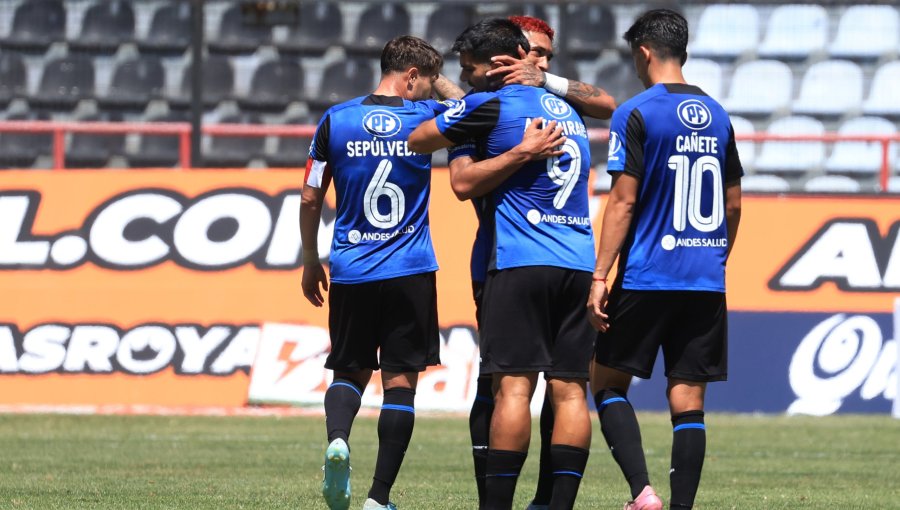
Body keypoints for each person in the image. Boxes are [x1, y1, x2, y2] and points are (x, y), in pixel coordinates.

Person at [409, 18, 596, 510]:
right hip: (577, 260)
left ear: (496, 65)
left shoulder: (490, 104)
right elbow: (607, 107)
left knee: (512, 388)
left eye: (470, 69)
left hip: (520, 260)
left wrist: (515, 150)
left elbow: (423, 141)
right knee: (572, 391)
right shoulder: (569, 112)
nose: (466, 77)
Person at [454, 15, 616, 510]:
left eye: (546, 54)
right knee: (504, 383)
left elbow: (609, 104)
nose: (538, 60)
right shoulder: (489, 99)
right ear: (510, 53)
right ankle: (498, 494)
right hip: (513, 256)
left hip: (519, 259)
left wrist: (545, 80)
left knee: (518, 386)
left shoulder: (550, 98)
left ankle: (539, 499)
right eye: (532, 51)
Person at [586, 9, 743, 510]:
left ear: (644, 52)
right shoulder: (718, 114)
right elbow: (735, 203)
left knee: (605, 381)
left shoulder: (636, 112)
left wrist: (599, 274)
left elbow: (623, 201)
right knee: (689, 399)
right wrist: (716, 256)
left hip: (648, 273)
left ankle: (642, 493)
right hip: (703, 277)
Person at [300, 35, 463, 510]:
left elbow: (310, 195)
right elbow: (476, 106)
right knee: (400, 383)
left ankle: (338, 440)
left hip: (352, 267)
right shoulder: (428, 117)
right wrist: (444, 88)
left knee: (349, 371)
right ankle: (378, 498)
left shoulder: (336, 119)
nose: (433, 91)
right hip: (410, 269)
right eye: (427, 81)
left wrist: (312, 258)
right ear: (412, 76)